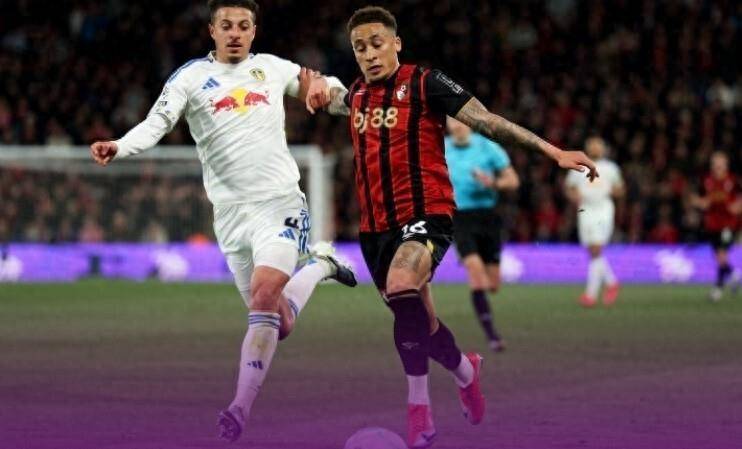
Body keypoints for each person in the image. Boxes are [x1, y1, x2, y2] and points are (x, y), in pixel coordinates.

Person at [308, 6, 597, 447]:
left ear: (396, 43)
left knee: (402, 284)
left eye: (377, 43)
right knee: (420, 325)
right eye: (360, 47)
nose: (369, 54)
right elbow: (330, 97)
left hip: (428, 214)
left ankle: (418, 411)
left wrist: (554, 152)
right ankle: (466, 371)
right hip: (375, 230)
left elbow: (487, 121)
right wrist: (313, 87)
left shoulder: (426, 83)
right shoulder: (358, 96)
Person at [89, 0, 357, 442]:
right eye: (226, 25)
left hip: (279, 203)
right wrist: (120, 145)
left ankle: (239, 407)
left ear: (254, 31)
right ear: (212, 31)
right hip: (231, 217)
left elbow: (329, 87)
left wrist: (332, 93)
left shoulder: (272, 68)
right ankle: (323, 265)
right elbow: (157, 123)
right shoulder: (190, 78)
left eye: (243, 25)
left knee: (264, 294)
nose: (235, 32)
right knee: (278, 322)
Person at [445, 117, 519, 352]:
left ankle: (484, 299)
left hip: (487, 217)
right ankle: (492, 336)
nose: (457, 126)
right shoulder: (440, 148)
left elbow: (513, 180)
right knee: (475, 273)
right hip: (459, 218)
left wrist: (493, 183)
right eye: (452, 121)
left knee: (493, 285)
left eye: (460, 121)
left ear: (469, 123)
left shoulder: (488, 147)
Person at [565, 137, 624, 307]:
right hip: (585, 210)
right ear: (587, 148)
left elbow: (620, 190)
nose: (595, 149)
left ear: (604, 149)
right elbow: (569, 187)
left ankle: (590, 295)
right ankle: (611, 282)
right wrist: (574, 196)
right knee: (592, 251)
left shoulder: (611, 168)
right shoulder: (579, 166)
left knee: (596, 249)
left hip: (603, 209)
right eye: (592, 146)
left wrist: (612, 190)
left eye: (598, 146)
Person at [692, 151, 740, 301]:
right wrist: (698, 202)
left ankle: (718, 289)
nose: (717, 166)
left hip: (729, 224)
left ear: (726, 165)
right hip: (712, 224)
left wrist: (738, 206)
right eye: (714, 163)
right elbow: (703, 201)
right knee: (718, 256)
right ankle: (733, 275)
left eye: (720, 163)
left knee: (722, 254)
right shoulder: (707, 181)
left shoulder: (733, 181)